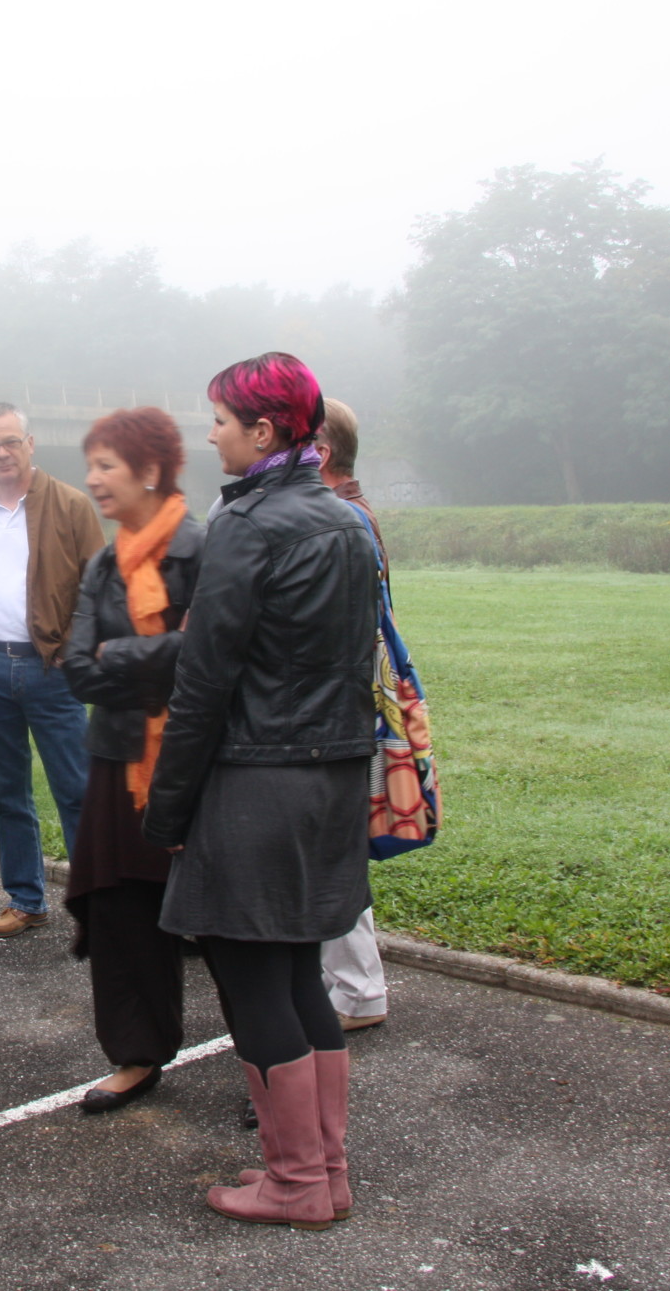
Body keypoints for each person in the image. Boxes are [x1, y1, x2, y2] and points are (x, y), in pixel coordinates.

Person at [142, 352, 379, 1230]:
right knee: (299, 973)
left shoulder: (245, 525)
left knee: (251, 982)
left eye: (220, 421)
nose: (211, 436)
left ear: (265, 429)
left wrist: (168, 809)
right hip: (331, 779)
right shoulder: (347, 521)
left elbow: (203, 683)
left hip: (255, 783)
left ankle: (294, 1181)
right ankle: (325, 1170)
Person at [59, 408, 203, 1114]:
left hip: (197, 758)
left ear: (149, 470)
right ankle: (138, 1053)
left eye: (106, 465)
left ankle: (267, 1063)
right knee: (122, 914)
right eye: (90, 464)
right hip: (118, 757)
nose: (92, 478)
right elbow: (78, 669)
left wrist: (121, 655)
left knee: (223, 918)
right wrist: (161, 659)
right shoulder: (102, 563)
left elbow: (215, 653)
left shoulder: (205, 549)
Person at [0, 402, 105, 937]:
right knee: (9, 794)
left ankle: (98, 908)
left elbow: (99, 587)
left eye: (10, 441)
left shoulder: (71, 506)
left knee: (76, 790)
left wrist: (74, 653)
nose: (2, 453)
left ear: (30, 444)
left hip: (52, 671)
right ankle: (26, 899)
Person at [316, 397, 389, 1033]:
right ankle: (350, 985)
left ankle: (359, 991)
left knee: (335, 850)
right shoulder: (353, 513)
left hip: (340, 711)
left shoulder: (345, 519)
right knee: (331, 847)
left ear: (320, 453)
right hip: (344, 706)